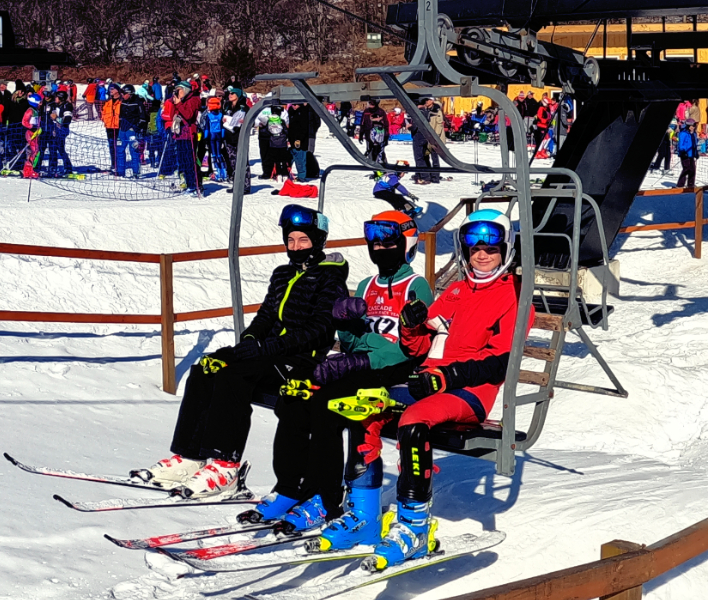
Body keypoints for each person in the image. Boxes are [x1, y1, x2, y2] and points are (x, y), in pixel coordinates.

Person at [336, 209, 531, 570]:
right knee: (364, 408)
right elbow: (418, 345)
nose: (482, 254)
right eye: (474, 247)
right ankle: (363, 514)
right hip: (432, 383)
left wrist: (448, 377)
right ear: (464, 249)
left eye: (492, 246)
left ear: (506, 250)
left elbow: (501, 361)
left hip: (470, 394)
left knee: (412, 420)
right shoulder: (457, 290)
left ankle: (415, 527)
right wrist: (411, 325)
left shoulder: (514, 296)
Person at [131, 205, 349, 502]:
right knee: (208, 366)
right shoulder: (283, 273)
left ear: (318, 242)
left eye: (304, 241)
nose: (296, 247)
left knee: (234, 376)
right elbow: (265, 317)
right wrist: (246, 342)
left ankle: (225, 466)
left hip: (300, 360)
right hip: (269, 354)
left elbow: (321, 329)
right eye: (291, 240)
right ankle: (190, 457)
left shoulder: (330, 279)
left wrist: (268, 347)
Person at [244, 211, 433, 535]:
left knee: (326, 405)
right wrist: (345, 324)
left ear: (406, 244)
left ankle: (325, 497)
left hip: (394, 373)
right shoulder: (365, 285)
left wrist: (363, 359)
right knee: (295, 396)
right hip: (358, 366)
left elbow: (412, 347)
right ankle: (291, 487)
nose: (381, 249)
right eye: (374, 243)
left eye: (389, 243)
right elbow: (351, 342)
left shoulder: (416, 286)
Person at [160, 80, 201, 193]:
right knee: (182, 161)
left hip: (189, 134)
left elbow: (188, 115)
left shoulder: (193, 99)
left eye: (179, 90)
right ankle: (187, 183)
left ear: (185, 90)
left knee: (189, 161)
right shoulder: (180, 100)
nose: (177, 92)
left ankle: (194, 186)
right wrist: (173, 103)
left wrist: (178, 103)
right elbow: (172, 114)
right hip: (179, 133)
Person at [116, 84, 148, 178]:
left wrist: (135, 127)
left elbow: (143, 119)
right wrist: (120, 125)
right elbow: (121, 115)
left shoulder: (138, 103)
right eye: (122, 93)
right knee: (120, 150)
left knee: (134, 150)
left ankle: (136, 172)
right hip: (122, 130)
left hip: (132, 131)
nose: (123, 95)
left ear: (130, 93)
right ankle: (121, 171)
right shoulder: (123, 102)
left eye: (124, 93)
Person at [223, 87, 251, 194]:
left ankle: (246, 186)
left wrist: (245, 121)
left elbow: (251, 121)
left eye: (233, 93)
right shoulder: (227, 106)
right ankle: (236, 185)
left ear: (238, 95)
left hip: (240, 137)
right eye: (229, 93)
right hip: (229, 137)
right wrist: (224, 119)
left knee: (243, 162)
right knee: (233, 162)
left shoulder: (244, 108)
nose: (230, 95)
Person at [409, 96, 440, 184]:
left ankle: (425, 177)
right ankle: (424, 174)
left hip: (419, 136)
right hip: (426, 136)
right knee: (424, 156)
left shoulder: (418, 112)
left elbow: (416, 125)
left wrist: (410, 128)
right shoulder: (426, 112)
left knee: (419, 157)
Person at [201, 96, 228, 181]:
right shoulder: (221, 115)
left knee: (213, 154)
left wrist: (205, 138)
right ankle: (223, 173)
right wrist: (223, 137)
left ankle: (216, 173)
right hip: (219, 135)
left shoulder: (208, 116)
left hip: (211, 136)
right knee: (219, 154)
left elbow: (206, 128)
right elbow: (223, 127)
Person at [49, 90, 74, 176]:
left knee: (60, 148)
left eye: (56, 97)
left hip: (62, 130)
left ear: (61, 98)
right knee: (52, 149)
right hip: (53, 129)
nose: (55, 99)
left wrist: (57, 119)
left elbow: (67, 119)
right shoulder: (54, 105)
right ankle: (52, 167)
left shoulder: (67, 106)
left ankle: (68, 167)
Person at [101, 83, 122, 174]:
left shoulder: (121, 102)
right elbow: (103, 112)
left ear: (117, 90)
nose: (111, 91)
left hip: (118, 127)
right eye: (110, 89)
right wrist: (104, 120)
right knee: (111, 146)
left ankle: (120, 163)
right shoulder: (108, 102)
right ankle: (113, 163)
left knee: (119, 146)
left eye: (112, 89)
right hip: (109, 127)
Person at [21, 94, 42, 179]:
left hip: (36, 133)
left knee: (36, 151)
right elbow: (24, 122)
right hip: (30, 133)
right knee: (34, 151)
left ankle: (31, 169)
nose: (41, 104)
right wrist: (31, 126)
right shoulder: (30, 110)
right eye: (39, 102)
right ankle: (28, 170)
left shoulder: (36, 110)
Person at [677, 119, 699, 188]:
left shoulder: (694, 134)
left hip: (691, 154)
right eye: (691, 126)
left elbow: (694, 144)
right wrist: (683, 151)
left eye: (694, 126)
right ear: (687, 126)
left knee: (692, 169)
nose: (692, 127)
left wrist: (696, 153)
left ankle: (690, 184)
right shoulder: (683, 133)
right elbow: (681, 144)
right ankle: (680, 185)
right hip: (684, 154)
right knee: (686, 168)